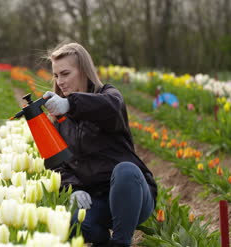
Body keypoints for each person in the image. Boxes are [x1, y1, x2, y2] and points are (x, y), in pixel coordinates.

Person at [42, 42, 158, 247]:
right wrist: (73, 188)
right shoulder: (59, 120)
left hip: (132, 196)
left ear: (84, 71)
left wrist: (71, 104)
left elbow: (110, 109)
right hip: (96, 201)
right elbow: (58, 164)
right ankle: (103, 241)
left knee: (125, 170)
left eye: (66, 73)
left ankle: (121, 242)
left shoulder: (108, 96)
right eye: (56, 75)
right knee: (70, 224)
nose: (60, 81)